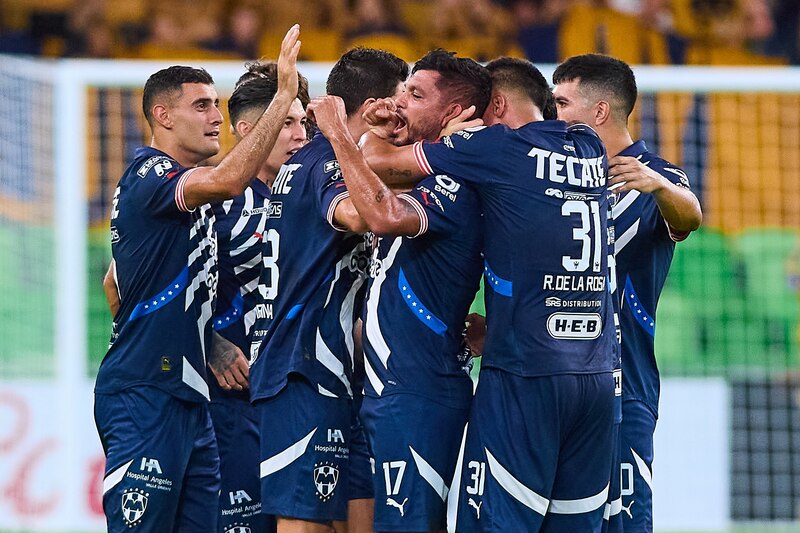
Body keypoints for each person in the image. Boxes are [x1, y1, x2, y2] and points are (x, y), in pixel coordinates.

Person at [359, 56, 617, 532]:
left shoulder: (494, 148)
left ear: (494, 105)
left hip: (523, 375)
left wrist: (449, 136)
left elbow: (376, 165)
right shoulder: (588, 146)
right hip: (597, 375)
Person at [93, 25, 301, 532]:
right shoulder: (149, 176)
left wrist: (205, 341)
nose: (216, 117)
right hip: (146, 393)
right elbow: (231, 179)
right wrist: (285, 97)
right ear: (162, 116)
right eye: (203, 106)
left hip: (191, 400)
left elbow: (113, 284)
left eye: (216, 104)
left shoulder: (189, 195)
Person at [309, 49, 491, 533]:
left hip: (417, 390)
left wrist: (342, 133)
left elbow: (382, 214)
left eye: (414, 94)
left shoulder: (452, 182)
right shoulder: (430, 174)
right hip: (402, 385)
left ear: (452, 114)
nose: (400, 104)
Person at [248, 47, 409, 533]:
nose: (406, 110)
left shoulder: (323, 159)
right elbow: (360, 216)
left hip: (337, 374)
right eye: (403, 96)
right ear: (376, 103)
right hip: (302, 369)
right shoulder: (327, 161)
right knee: (306, 524)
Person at [552, 53, 703, 533]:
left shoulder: (656, 177)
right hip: (554, 381)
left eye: (561, 102)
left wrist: (659, 187)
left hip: (625, 382)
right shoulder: (553, 176)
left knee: (624, 522)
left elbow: (689, 216)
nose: (553, 114)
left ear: (599, 112)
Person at [208, 60, 309, 533]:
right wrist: (208, 342)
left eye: (304, 122)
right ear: (250, 129)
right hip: (233, 399)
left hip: (295, 394)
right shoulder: (215, 201)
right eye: (287, 122)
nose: (299, 133)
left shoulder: (316, 196)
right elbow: (123, 284)